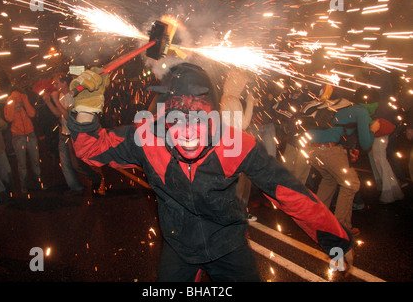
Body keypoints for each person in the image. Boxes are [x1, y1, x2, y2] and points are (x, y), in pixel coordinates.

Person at [67, 63, 354, 282]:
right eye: (178, 109)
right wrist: (84, 111)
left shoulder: (236, 143)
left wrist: (337, 242)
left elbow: (290, 193)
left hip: (229, 247)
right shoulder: (148, 137)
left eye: (199, 108)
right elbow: (90, 150)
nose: (188, 123)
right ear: (165, 115)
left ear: (214, 113)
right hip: (179, 249)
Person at [305, 96, 379, 236]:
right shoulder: (361, 111)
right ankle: (341, 228)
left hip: (311, 149)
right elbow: (365, 143)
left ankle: (317, 221)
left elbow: (344, 131)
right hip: (328, 150)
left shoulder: (342, 105)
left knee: (329, 179)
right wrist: (373, 130)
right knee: (351, 183)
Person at [43, 73, 105, 196]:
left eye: (57, 83)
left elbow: (69, 116)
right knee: (65, 164)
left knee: (77, 164)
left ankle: (96, 177)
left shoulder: (73, 95)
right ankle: (75, 188)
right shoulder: (60, 95)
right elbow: (59, 115)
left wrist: (55, 101)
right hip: (64, 133)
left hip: (74, 134)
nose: (55, 86)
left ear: (64, 82)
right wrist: (49, 103)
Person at [353, 87, 404, 204]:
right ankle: (385, 186)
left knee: (379, 158)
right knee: (375, 157)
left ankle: (389, 190)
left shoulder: (369, 101)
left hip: (378, 131)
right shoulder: (377, 98)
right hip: (378, 130)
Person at [219, 68, 256, 221]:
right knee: (241, 180)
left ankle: (235, 211)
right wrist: (251, 103)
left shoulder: (224, 98)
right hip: (235, 144)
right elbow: (244, 124)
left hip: (228, 143)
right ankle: (238, 213)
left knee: (235, 179)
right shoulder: (233, 99)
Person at [4, 84, 45, 194]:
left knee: (35, 161)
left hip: (30, 134)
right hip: (18, 136)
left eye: (19, 97)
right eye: (15, 97)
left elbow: (32, 113)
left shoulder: (24, 101)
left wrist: (25, 101)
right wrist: (12, 104)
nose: (18, 99)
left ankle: (38, 183)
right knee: (22, 164)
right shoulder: (9, 103)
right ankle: (24, 186)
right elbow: (9, 118)